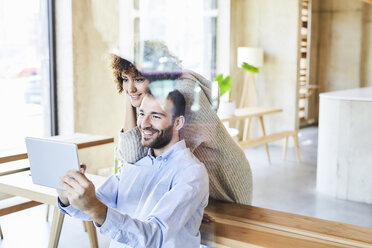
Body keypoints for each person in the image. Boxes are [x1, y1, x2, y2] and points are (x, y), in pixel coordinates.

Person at [57, 90, 209, 247]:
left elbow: (154, 236)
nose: (144, 124)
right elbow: (91, 205)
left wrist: (95, 208)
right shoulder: (135, 164)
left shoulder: (191, 173)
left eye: (156, 116)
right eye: (142, 114)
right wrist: (67, 195)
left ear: (178, 123)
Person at [111, 53, 253, 205]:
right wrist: (130, 98)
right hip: (197, 184)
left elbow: (137, 158)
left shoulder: (185, 94)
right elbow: (133, 158)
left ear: (157, 75)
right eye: (124, 79)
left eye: (138, 79)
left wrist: (132, 97)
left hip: (225, 181)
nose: (130, 88)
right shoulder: (151, 98)